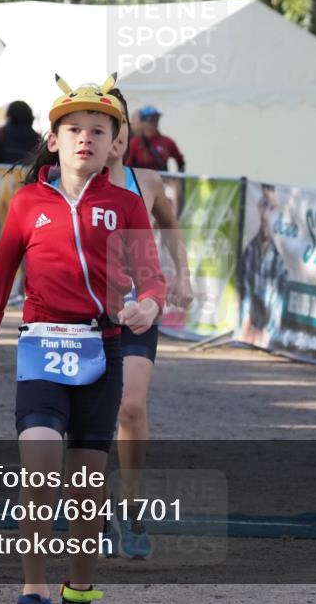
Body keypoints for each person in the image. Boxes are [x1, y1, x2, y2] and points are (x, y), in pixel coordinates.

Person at [0, 74, 166, 604]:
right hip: (41, 348)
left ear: (114, 144)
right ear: (53, 140)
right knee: (39, 466)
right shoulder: (27, 202)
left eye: (98, 131)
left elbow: (151, 275)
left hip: (103, 350)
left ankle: (79, 588)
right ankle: (33, 588)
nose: (86, 139)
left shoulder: (126, 204)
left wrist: (148, 304)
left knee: (86, 485)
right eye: (74, 129)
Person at [101, 87, 194, 560]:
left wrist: (183, 275)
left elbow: (171, 226)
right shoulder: (67, 183)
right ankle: (94, 508)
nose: (113, 135)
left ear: (127, 131)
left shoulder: (149, 181)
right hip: (85, 312)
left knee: (131, 406)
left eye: (118, 125)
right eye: (103, 126)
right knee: (89, 414)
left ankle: (131, 505)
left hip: (140, 307)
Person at [238, 184, 289, 348]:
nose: (266, 214)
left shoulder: (280, 258)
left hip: (268, 334)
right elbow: (244, 292)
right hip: (249, 331)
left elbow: (279, 304)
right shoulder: (250, 251)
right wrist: (245, 324)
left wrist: (269, 333)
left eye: (271, 207)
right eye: (263, 205)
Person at [123, 106, 185, 172]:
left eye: (156, 119)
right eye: (150, 120)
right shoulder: (134, 144)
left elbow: (180, 161)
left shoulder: (167, 142)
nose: (154, 122)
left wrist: (179, 177)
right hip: (141, 178)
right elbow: (127, 167)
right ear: (142, 122)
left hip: (162, 178)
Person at [0, 100, 41, 165]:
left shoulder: (1, 133)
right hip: (28, 171)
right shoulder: (37, 137)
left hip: (3, 171)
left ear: (9, 114)